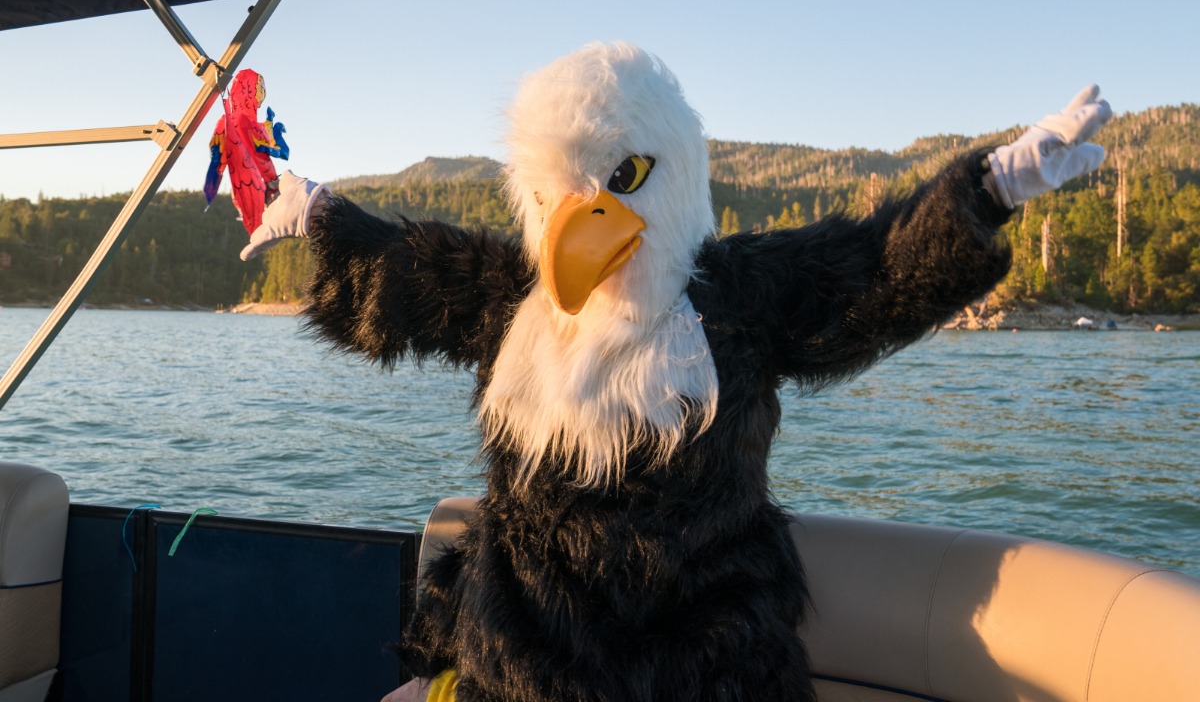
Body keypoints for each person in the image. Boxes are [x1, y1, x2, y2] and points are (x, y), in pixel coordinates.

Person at [242, 43, 1111, 701]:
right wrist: (318, 209)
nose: (579, 223)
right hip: (524, 655)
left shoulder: (739, 293)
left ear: (671, 170)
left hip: (709, 661)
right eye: (552, 198)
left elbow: (876, 266)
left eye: (621, 180)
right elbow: (402, 266)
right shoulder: (511, 298)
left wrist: (991, 187)